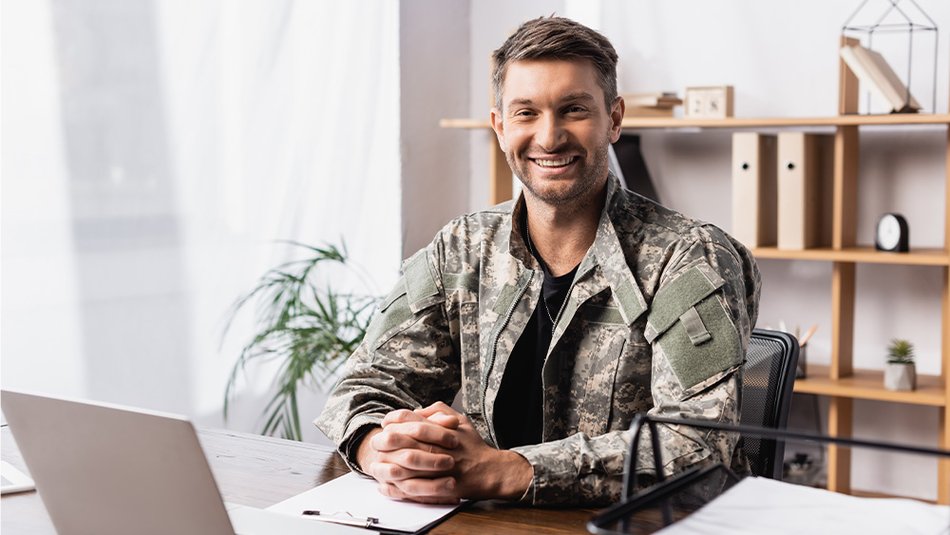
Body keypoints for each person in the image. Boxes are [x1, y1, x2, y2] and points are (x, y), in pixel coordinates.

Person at [316, 15, 760, 507]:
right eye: (526, 113)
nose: (549, 137)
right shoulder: (461, 247)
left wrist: (503, 470)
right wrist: (383, 448)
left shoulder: (688, 257)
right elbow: (364, 384)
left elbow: (698, 443)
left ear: (614, 119)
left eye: (573, 110)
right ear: (500, 126)